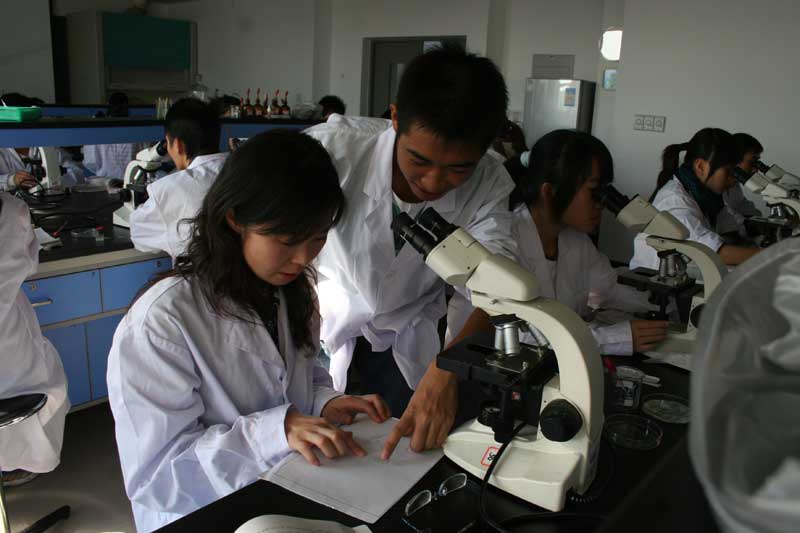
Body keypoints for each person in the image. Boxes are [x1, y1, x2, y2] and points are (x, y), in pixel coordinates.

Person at [107, 130, 390, 533]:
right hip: (202, 513)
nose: (303, 258)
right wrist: (277, 431)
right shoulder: (163, 321)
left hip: (285, 488)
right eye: (287, 240)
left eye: (317, 238)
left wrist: (326, 403)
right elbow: (158, 477)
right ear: (236, 219)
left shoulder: (292, 291)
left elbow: (301, 378)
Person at [304, 44, 518, 459]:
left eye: (458, 168)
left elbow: (496, 286)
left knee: (400, 452)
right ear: (396, 117)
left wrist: (447, 370)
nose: (434, 182)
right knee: (314, 450)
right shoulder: (333, 150)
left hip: (408, 331)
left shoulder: (490, 181)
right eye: (419, 160)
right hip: (318, 324)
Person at [447, 130, 667, 355]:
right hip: (483, 360)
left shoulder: (575, 239)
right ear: (549, 191)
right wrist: (618, 338)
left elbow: (609, 289)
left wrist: (664, 303)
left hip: (550, 362)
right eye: (594, 191)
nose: (601, 204)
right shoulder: (504, 240)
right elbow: (525, 333)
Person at [0, 193, 69, 486]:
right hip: (9, 337)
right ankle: (21, 462)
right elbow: (29, 263)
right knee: (46, 380)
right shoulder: (10, 209)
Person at [630, 128, 762, 270]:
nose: (734, 178)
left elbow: (730, 231)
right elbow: (715, 252)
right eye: (729, 171)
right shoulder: (675, 200)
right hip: (654, 277)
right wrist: (770, 254)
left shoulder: (709, 196)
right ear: (701, 166)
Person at [130, 97, 228, 259]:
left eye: (168, 143)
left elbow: (138, 234)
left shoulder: (173, 188)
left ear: (177, 145)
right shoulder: (244, 170)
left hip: (200, 274)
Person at [82, 93, 147, 179]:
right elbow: (145, 158)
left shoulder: (97, 131)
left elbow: (90, 162)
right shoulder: (138, 131)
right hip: (131, 179)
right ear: (127, 108)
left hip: (104, 180)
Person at [716, 133, 764, 236]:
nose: (756, 170)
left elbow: (742, 204)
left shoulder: (734, 184)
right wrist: (747, 224)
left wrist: (761, 219)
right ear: (735, 160)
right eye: (752, 162)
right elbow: (728, 213)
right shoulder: (716, 186)